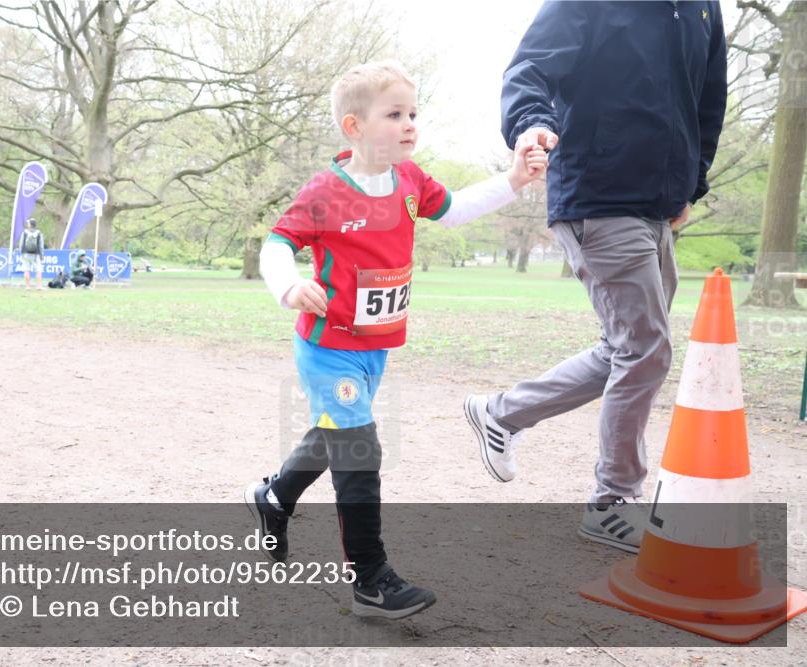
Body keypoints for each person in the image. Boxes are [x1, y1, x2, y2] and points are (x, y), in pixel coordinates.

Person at [245, 61, 547, 620]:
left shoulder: (410, 181)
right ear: (355, 127)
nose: (409, 124)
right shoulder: (326, 190)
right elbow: (276, 245)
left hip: (374, 349)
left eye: (413, 114)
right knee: (360, 446)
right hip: (327, 346)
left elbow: (455, 211)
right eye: (395, 114)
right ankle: (370, 580)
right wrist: (288, 285)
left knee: (335, 433)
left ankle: (274, 496)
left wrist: (514, 181)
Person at [464, 1, 727, 554]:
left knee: (627, 348)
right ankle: (612, 503)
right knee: (646, 348)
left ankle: (501, 412)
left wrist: (691, 182)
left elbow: (708, 99)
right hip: (599, 194)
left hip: (658, 204)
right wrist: (532, 123)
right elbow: (530, 69)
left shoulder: (703, 6)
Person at [19, 218, 45, 290]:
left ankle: (27, 286)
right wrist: (41, 255)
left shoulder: (24, 233)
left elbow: (21, 244)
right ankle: (39, 286)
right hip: (36, 254)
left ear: (30, 224)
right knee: (38, 270)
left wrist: (21, 253)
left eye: (28, 223)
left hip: (26, 254)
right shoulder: (39, 233)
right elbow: (41, 246)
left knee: (26, 270)